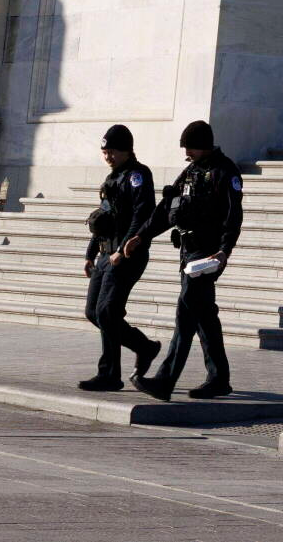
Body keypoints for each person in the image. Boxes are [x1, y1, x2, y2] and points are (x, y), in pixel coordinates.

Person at [135, 119, 243, 401]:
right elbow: (166, 210)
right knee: (204, 316)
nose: (187, 154)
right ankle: (219, 379)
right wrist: (141, 236)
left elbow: (233, 217)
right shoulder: (191, 171)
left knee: (185, 314)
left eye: (190, 148)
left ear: (204, 145)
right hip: (188, 253)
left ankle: (164, 381)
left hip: (206, 256)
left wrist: (224, 251)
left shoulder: (225, 171)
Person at [76, 123, 159, 392]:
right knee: (94, 312)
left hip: (126, 256)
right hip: (105, 255)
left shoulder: (138, 176)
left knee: (107, 312)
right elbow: (103, 219)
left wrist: (122, 249)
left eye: (112, 151)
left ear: (126, 150)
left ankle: (110, 374)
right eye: (104, 152)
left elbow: (142, 215)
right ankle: (144, 347)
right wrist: (90, 254)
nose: (108, 156)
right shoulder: (112, 179)